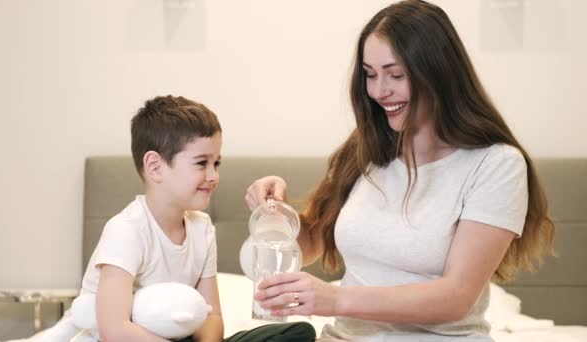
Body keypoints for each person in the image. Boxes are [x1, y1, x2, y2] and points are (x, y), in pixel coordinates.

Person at [245, 1, 555, 341]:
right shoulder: (367, 148)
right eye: (370, 74)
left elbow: (457, 297)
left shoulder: (496, 164)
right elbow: (311, 245)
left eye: (396, 75)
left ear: (437, 72)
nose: (379, 91)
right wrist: (277, 214)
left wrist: (335, 299)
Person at [81, 95, 315, 342]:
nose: (213, 175)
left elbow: (211, 316)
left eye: (217, 163)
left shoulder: (201, 228)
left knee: (298, 333)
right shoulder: (126, 230)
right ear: (155, 166)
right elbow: (114, 330)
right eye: (202, 163)